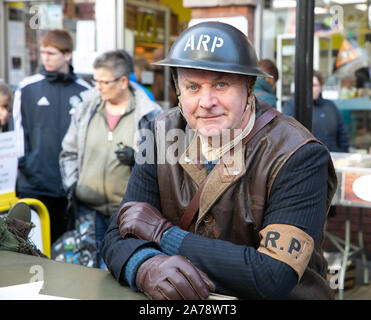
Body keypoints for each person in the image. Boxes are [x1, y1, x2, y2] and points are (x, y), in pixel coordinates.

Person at [103, 22, 337, 300]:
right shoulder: (160, 133)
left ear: (249, 87)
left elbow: (273, 275)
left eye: (221, 84)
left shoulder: (298, 153)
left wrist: (164, 235)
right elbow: (119, 233)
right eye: (192, 87)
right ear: (178, 90)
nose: (206, 101)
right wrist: (144, 267)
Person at [59, 50, 162, 269]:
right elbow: (68, 152)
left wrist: (136, 157)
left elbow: (161, 164)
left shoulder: (150, 114)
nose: (98, 86)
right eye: (95, 80)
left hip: (126, 214)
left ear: (123, 81)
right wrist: (74, 186)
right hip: (88, 211)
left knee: (116, 274)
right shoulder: (86, 108)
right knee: (85, 273)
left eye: (104, 82)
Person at [12, 29, 91, 244]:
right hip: (35, 186)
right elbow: (19, 134)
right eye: (43, 52)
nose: (45, 57)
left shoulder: (86, 91)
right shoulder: (27, 88)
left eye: (52, 53)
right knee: (31, 249)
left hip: (69, 187)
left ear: (67, 55)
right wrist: (25, 168)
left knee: (64, 251)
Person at [283, 70, 349, 153]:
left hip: (332, 158)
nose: (310, 89)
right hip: (307, 160)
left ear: (320, 87)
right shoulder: (293, 106)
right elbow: (288, 136)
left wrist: (342, 153)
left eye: (314, 85)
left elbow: (342, 133)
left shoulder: (330, 106)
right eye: (307, 85)